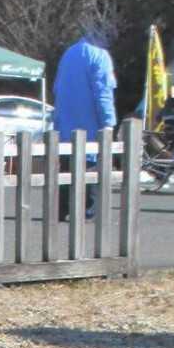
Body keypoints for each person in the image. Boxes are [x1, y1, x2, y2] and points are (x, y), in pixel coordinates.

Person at [51, 26, 116, 223]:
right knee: (91, 168)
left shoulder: (69, 53)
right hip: (89, 125)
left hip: (64, 125)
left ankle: (62, 210)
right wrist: (109, 122)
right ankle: (88, 211)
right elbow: (103, 92)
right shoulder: (99, 56)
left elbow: (56, 88)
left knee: (66, 169)